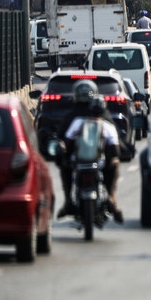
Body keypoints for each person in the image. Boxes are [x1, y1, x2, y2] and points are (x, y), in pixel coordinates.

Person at [57, 80, 123, 223]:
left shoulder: (73, 119)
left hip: (80, 161)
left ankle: (69, 200)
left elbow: (64, 140)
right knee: (114, 163)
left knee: (64, 165)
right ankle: (111, 197)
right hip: (98, 162)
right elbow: (116, 147)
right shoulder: (105, 120)